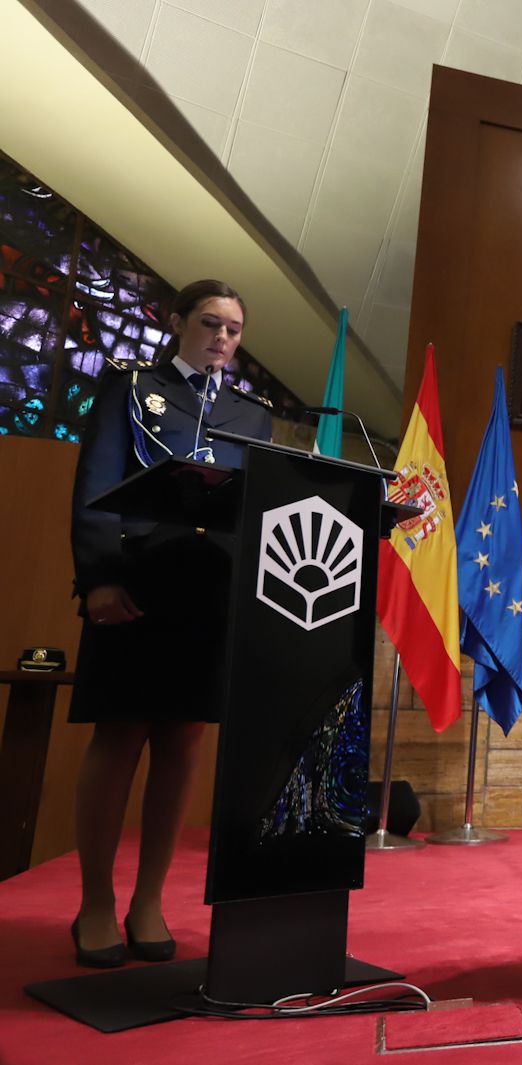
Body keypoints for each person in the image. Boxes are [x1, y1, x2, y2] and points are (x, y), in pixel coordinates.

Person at [68, 279, 273, 967]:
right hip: (137, 581)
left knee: (183, 743)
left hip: (207, 588)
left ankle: (148, 900)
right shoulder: (130, 388)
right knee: (120, 734)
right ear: (178, 322)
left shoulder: (252, 415)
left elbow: (256, 506)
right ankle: (96, 901)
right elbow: (96, 484)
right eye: (211, 322)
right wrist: (99, 577)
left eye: (235, 329)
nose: (223, 337)